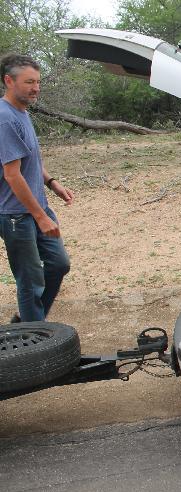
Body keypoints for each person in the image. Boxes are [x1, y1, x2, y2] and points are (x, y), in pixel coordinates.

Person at [0, 53, 74, 322]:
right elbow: (12, 175)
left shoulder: (21, 112)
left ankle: (28, 322)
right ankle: (33, 335)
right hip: (16, 215)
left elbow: (29, 160)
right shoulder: (5, 118)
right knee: (30, 282)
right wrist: (40, 217)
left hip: (36, 207)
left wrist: (51, 182)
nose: (36, 88)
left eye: (38, 82)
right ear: (9, 81)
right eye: (29, 82)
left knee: (59, 264)